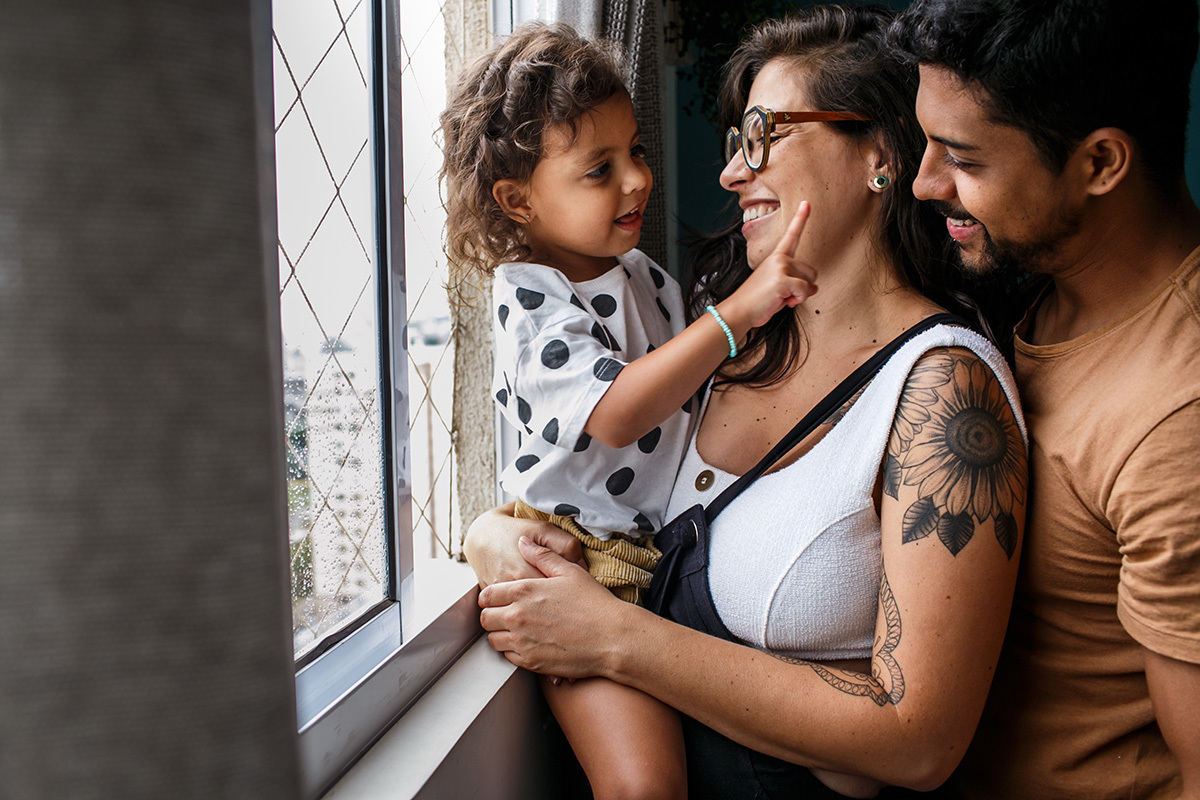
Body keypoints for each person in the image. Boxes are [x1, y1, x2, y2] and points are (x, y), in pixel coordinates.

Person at [465, 6, 1029, 798]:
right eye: (736, 141)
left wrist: (613, 636)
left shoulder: (944, 392)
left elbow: (918, 743)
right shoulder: (730, 339)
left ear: (880, 153)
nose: (733, 173)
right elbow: (590, 450)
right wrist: (495, 535)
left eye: (765, 133)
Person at [439, 22, 820, 800]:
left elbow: (696, 394)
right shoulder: (531, 296)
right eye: (597, 170)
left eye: (637, 152)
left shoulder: (641, 272)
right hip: (587, 565)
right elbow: (614, 412)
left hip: (672, 547)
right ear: (518, 200)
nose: (637, 181)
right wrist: (737, 315)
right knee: (644, 785)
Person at [887, 1, 1200, 798]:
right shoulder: (1033, 286)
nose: (925, 181)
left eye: (963, 157)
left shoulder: (1177, 420)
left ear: (1100, 163)